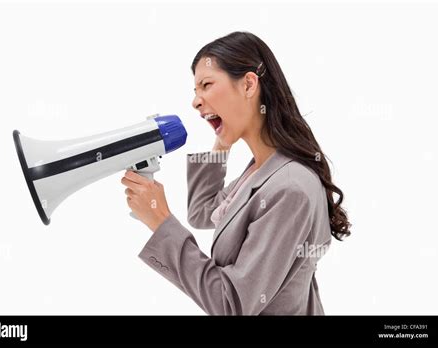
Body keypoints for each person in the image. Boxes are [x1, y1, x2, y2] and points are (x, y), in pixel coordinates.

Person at [121, 31, 351, 315]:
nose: (196, 101)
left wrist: (160, 222)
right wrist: (222, 139)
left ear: (248, 84)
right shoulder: (261, 170)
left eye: (206, 85)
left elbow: (232, 305)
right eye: (195, 91)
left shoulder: (290, 188)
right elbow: (203, 211)